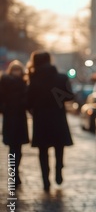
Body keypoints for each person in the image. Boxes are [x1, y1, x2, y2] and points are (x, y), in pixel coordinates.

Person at [26, 51, 74, 191]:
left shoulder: (34, 80)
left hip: (41, 119)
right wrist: (58, 98)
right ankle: (58, 171)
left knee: (43, 151)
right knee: (59, 147)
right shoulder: (61, 78)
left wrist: (33, 108)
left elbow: (28, 102)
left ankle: (45, 180)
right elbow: (70, 96)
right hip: (58, 118)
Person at [0, 61, 30, 186]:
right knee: (14, 149)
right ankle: (14, 174)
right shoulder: (12, 83)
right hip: (13, 118)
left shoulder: (22, 83)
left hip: (15, 118)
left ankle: (14, 173)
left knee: (16, 149)